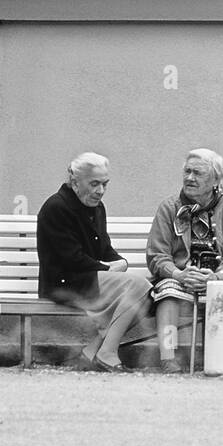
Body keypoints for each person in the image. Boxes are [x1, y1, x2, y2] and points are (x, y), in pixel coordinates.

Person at [37, 152, 154, 371]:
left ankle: (91, 352)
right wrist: (108, 267)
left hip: (88, 278)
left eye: (104, 184)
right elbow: (70, 258)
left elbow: (104, 249)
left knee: (147, 295)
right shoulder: (56, 207)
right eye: (94, 184)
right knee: (138, 286)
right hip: (64, 283)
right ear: (74, 182)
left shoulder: (96, 208)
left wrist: (120, 262)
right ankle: (108, 352)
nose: (100, 191)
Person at [146, 149, 223, 374]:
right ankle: (168, 358)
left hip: (217, 276)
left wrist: (217, 276)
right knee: (168, 293)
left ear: (216, 179)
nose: (190, 178)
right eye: (187, 171)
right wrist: (177, 273)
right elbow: (157, 254)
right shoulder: (169, 207)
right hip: (180, 275)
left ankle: (221, 360)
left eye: (198, 173)